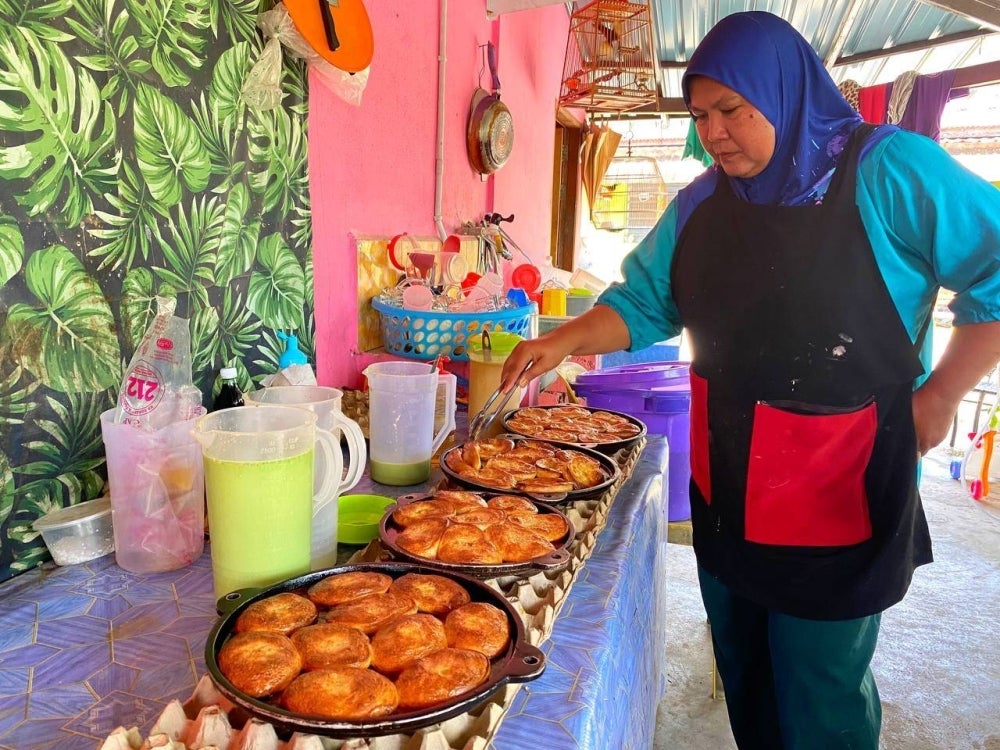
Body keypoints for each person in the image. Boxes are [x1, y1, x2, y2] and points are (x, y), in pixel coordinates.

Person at [500, 11, 1000, 750]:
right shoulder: (703, 203)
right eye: (700, 114)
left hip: (842, 484)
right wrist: (561, 340)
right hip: (729, 480)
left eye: (731, 109)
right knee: (746, 669)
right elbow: (643, 301)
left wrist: (944, 393)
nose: (713, 132)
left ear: (786, 92)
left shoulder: (891, 171)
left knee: (820, 688)